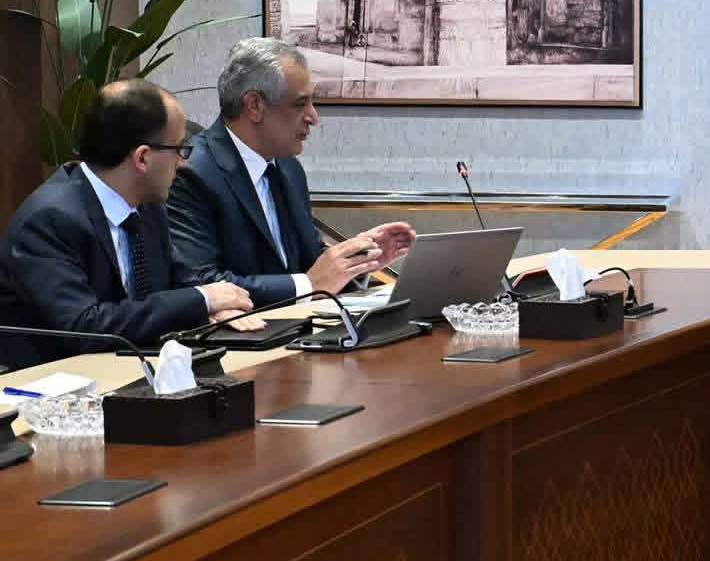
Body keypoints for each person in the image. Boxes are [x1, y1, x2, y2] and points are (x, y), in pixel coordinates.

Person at [0, 80, 254, 367]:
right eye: (179, 150)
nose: (183, 163)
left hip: (133, 370)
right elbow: (84, 327)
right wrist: (202, 299)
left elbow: (181, 280)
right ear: (143, 158)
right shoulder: (48, 221)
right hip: (54, 382)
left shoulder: (147, 207)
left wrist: (215, 308)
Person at [167, 38, 413, 307]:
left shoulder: (288, 168)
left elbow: (311, 262)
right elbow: (201, 283)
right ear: (254, 105)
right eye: (300, 104)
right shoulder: (190, 171)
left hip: (298, 326)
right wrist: (309, 285)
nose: (313, 117)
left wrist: (360, 258)